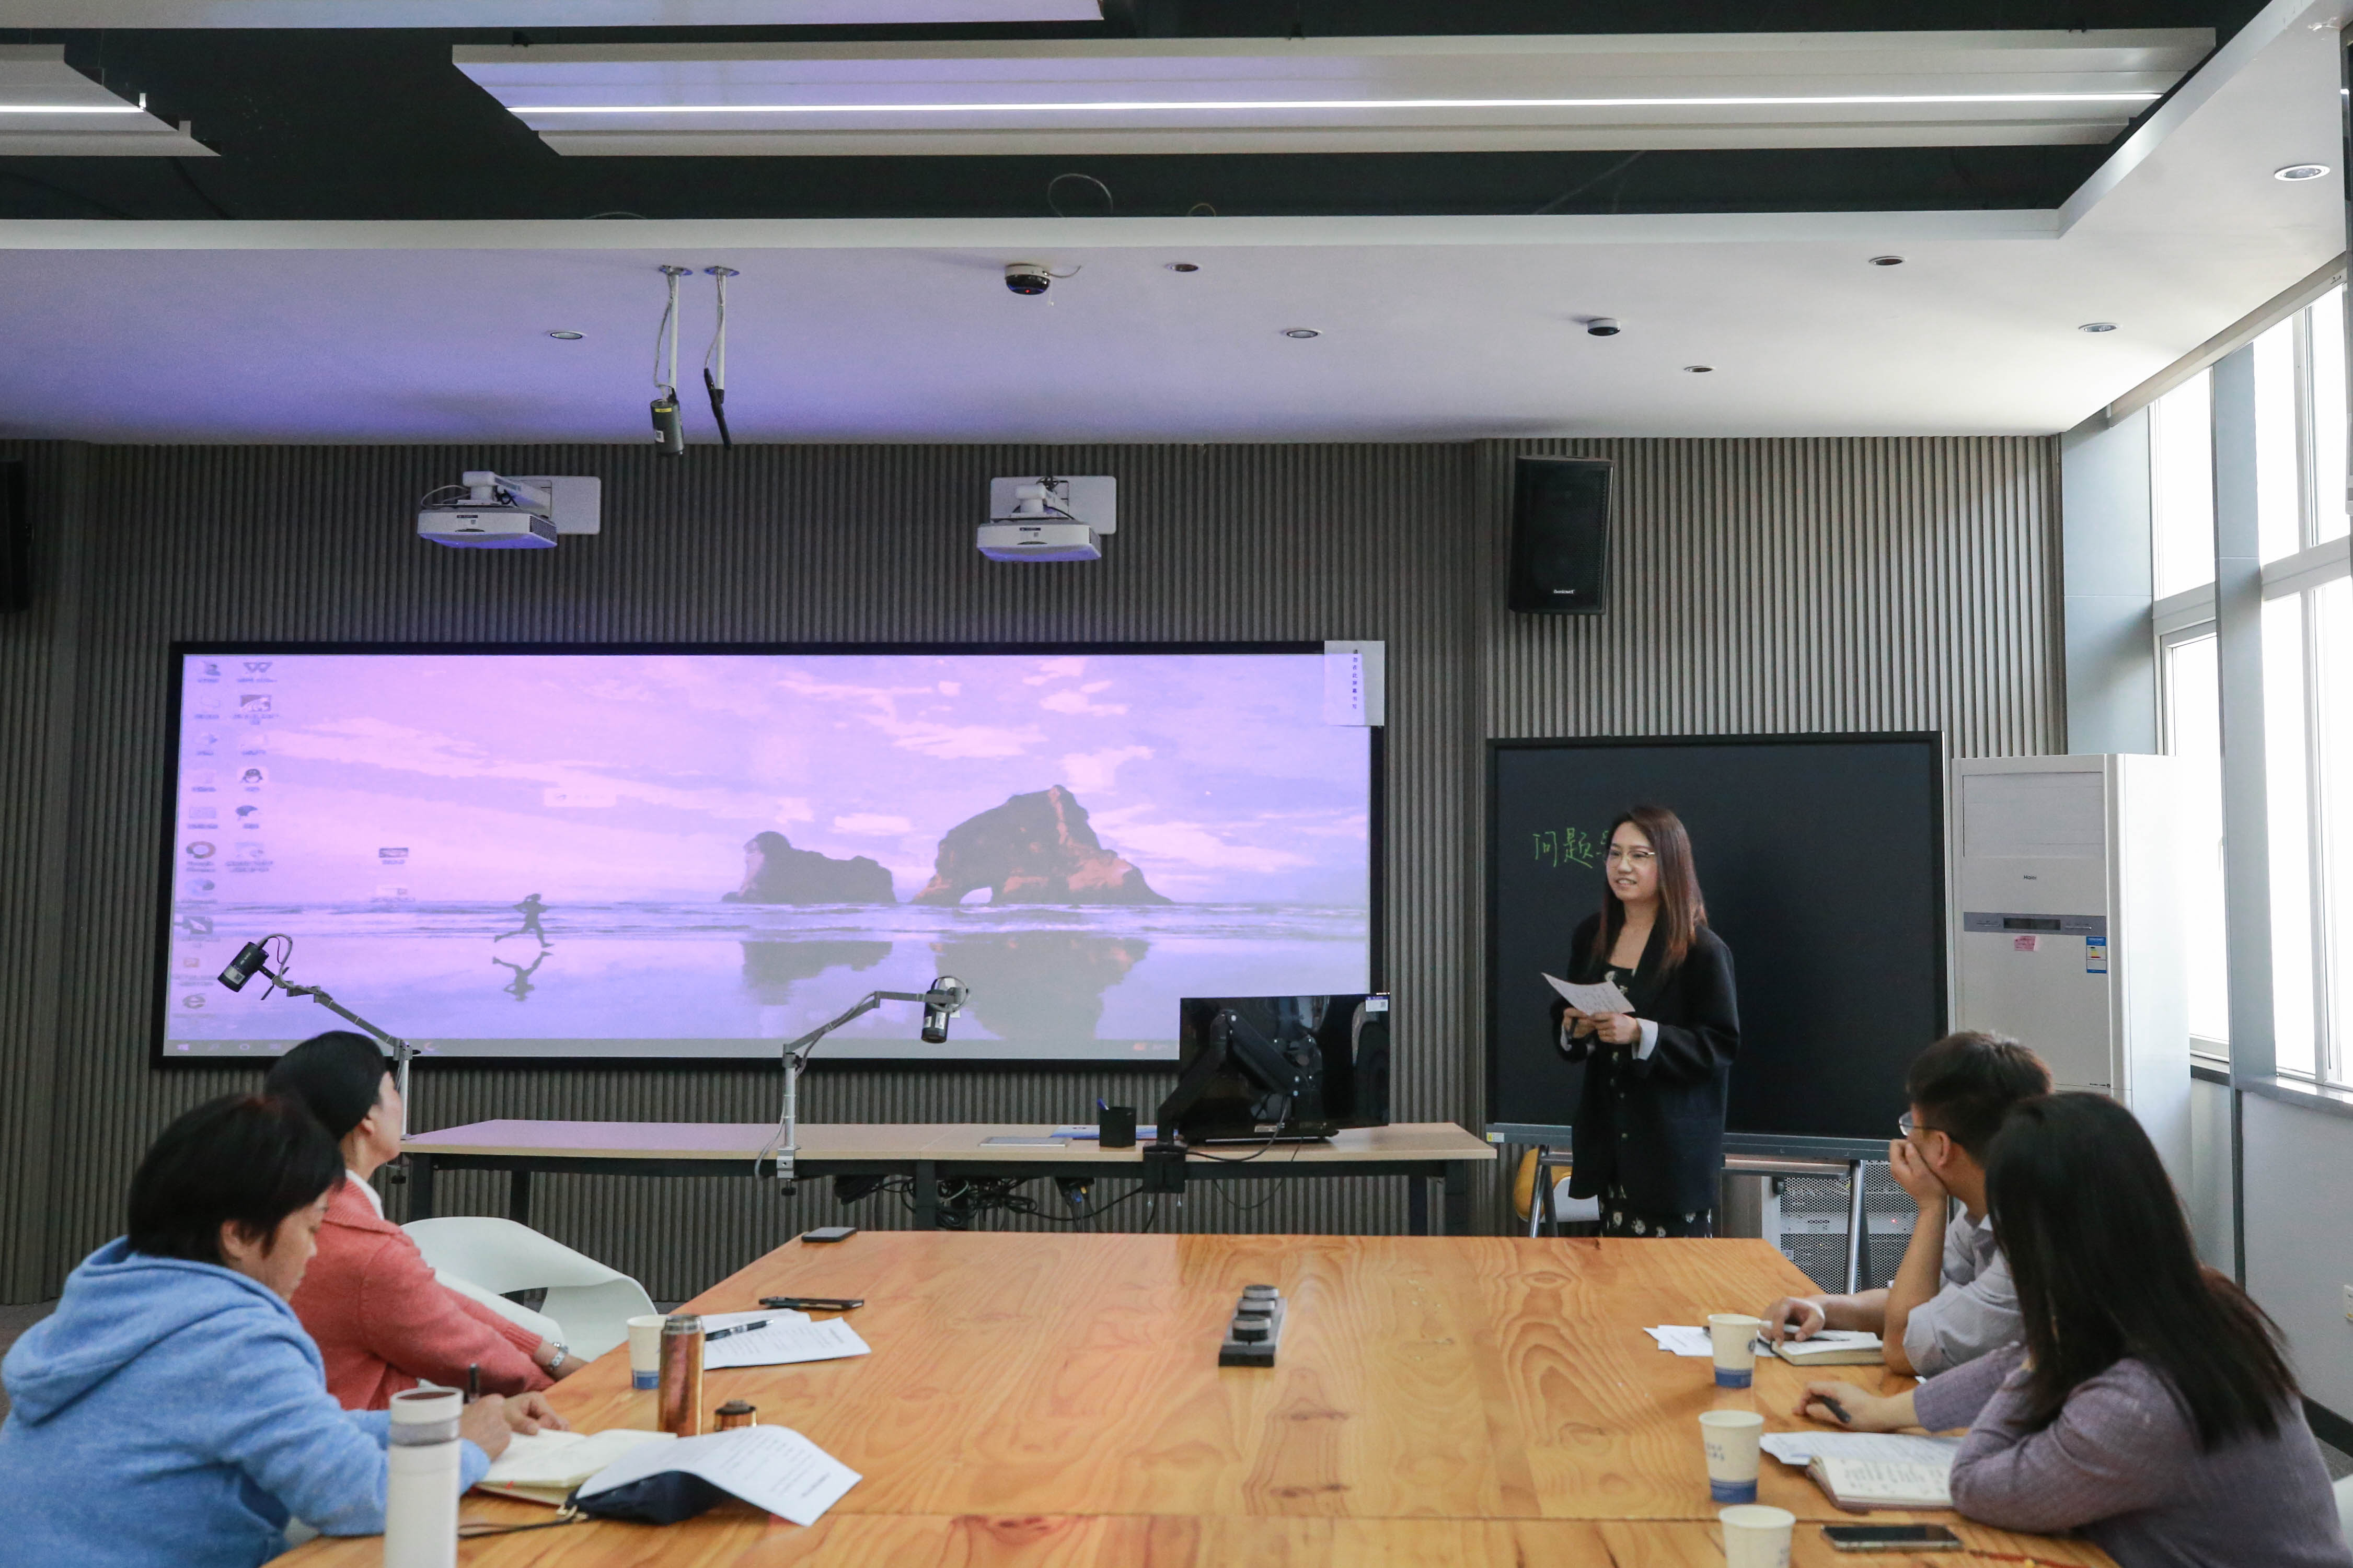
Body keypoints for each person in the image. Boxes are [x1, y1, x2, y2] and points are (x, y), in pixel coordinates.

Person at [1791, 1094, 2353, 1568]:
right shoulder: (2189, 1300)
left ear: (2044, 1237)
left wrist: (2041, 1353)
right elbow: (2013, 1362)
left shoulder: (2139, 1402)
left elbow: (1976, 1481)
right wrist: (1882, 1413)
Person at [0, 1094, 537, 1568]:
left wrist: (441, 1426)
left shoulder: (116, 1302)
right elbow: (359, 1496)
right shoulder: (232, 1339)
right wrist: (469, 1447)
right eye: (311, 1227)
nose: (314, 1250)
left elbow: (299, 1426)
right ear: (237, 1234)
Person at [265, 1030, 578, 1409]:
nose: (401, 1103)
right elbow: (464, 1351)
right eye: (392, 1089)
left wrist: (549, 1354)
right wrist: (563, 1388)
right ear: (367, 1118)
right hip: (371, 1437)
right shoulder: (365, 1248)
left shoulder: (280, 1205)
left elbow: (429, 1301)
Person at [1761, 1030, 2050, 1374]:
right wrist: (1823, 1306)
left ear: (1942, 1147)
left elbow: (1902, 1346)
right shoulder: (1986, 1209)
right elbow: (1918, 1304)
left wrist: (1930, 1208)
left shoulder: (2031, 1244)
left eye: (1913, 1125)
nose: (1907, 1139)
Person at [1552, 805, 1739, 1237]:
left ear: (1669, 863)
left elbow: (1720, 1044)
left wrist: (1640, 1033)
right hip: (1609, 1147)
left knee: (1671, 1276)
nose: (1623, 866)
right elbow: (1564, 1018)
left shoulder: (1701, 950)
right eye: (1615, 853)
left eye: (1639, 855)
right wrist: (1573, 1029)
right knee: (1613, 1272)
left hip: (1670, 1154)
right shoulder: (1592, 935)